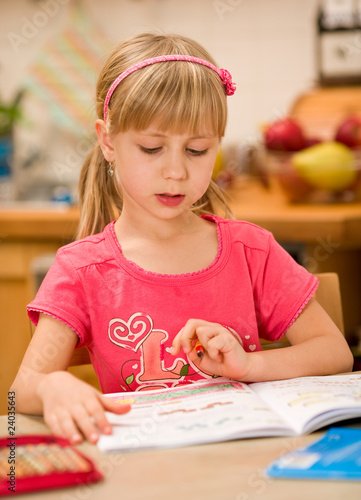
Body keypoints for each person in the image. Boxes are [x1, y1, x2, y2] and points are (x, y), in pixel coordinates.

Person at [11, 32, 353, 445]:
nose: (176, 171)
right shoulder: (81, 270)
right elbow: (20, 393)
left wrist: (247, 365)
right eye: (152, 148)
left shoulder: (251, 251)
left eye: (196, 150)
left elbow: (335, 352)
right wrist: (50, 387)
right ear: (107, 142)